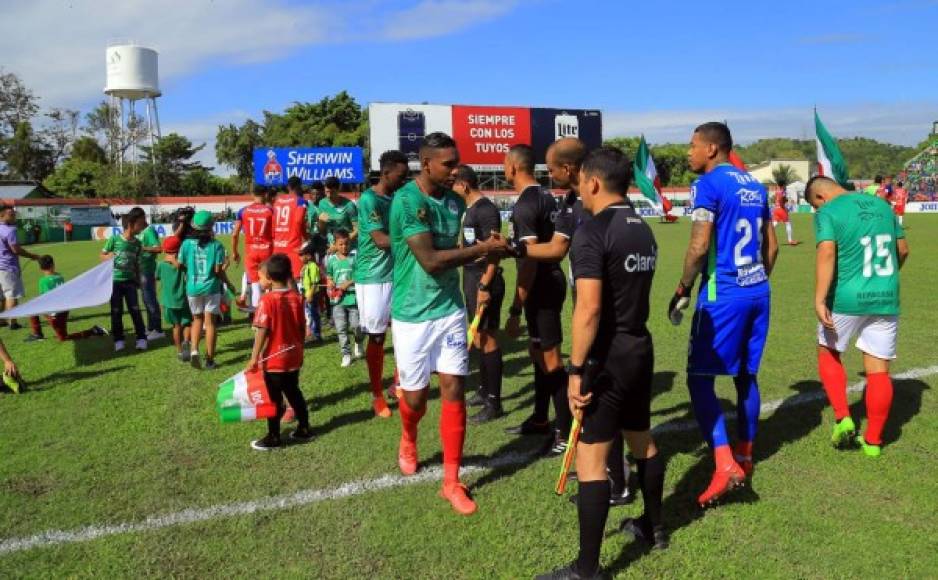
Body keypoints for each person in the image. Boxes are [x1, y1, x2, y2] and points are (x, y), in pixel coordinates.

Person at [537, 147, 667, 580]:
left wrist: (575, 371)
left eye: (580, 184)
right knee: (641, 440)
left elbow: (588, 309)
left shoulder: (593, 230)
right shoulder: (641, 228)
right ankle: (655, 527)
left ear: (592, 182)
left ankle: (587, 570)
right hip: (639, 348)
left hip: (607, 357)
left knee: (590, 463)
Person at [388, 132, 507, 515]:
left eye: (457, 162)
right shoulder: (407, 202)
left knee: (454, 388)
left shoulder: (456, 201)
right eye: (448, 164)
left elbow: (468, 247)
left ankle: (451, 482)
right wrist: (483, 249)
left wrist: (491, 248)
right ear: (425, 164)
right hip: (411, 314)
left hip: (451, 310)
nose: (455, 170)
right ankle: (409, 437)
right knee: (416, 399)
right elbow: (432, 261)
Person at [668, 122, 779, 507]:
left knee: (699, 380)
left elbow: (699, 247)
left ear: (712, 149)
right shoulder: (755, 185)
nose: (688, 152)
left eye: (693, 145)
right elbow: (773, 248)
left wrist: (683, 288)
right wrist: (755, 282)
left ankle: (723, 462)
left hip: (723, 296)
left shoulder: (708, 184)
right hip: (758, 292)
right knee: (746, 376)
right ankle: (745, 457)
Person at [522, 138, 636, 507]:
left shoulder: (605, 208)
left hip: (604, 318)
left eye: (552, 168)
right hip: (586, 310)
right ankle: (599, 466)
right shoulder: (572, 204)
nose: (549, 174)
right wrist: (514, 248)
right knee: (594, 398)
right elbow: (557, 248)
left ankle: (616, 480)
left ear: (570, 170)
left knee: (602, 398)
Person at [805, 176, 909, 457]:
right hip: (886, 296)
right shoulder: (883, 206)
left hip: (846, 297)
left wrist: (818, 298)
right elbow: (903, 250)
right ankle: (873, 442)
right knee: (879, 371)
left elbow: (827, 251)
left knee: (829, 351)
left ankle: (843, 417)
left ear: (819, 198)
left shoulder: (828, 212)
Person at [503, 144, 572, 457]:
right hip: (551, 281)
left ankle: (565, 430)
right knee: (537, 352)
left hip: (540, 286)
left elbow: (529, 261)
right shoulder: (547, 196)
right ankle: (541, 418)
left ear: (514, 167)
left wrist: (516, 307)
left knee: (551, 359)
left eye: (505, 162)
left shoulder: (526, 204)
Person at [355, 150, 408, 418]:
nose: (404, 179)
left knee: (403, 329)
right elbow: (380, 240)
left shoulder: (399, 197)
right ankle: (377, 395)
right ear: (386, 173)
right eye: (401, 175)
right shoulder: (368, 199)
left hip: (397, 273)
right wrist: (416, 241)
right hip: (372, 276)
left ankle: (397, 383)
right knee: (377, 336)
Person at [453, 164, 506, 424]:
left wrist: (485, 285)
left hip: (484, 280)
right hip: (471, 277)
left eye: (454, 183)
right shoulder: (470, 209)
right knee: (478, 337)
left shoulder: (486, 209)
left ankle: (494, 403)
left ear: (463, 185)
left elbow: (494, 250)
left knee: (488, 339)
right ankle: (484, 391)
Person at [247, 253, 313, 450]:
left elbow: (262, 330)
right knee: (294, 392)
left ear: (270, 278)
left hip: (274, 359)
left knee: (274, 398)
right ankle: (304, 428)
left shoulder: (267, 301)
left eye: (260, 277)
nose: (259, 281)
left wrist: (254, 357)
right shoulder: (296, 298)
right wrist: (299, 348)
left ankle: (274, 436)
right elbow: (302, 327)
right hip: (293, 356)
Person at [178, 211, 231, 370]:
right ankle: (209, 360)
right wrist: (229, 283)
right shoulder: (217, 246)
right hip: (211, 288)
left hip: (193, 287)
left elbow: (180, 265)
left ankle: (194, 349)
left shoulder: (186, 244)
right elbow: (217, 270)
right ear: (211, 227)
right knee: (210, 323)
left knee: (196, 320)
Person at [25, 255, 108, 342]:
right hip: (63, 309)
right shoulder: (59, 276)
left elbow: (46, 298)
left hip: (55, 312)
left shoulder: (43, 281)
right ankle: (37, 334)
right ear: (53, 265)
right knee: (32, 307)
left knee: (63, 338)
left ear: (41, 269)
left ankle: (93, 331)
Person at [101, 207, 149, 352]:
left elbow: (136, 265)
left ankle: (141, 338)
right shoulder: (114, 240)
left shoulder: (137, 244)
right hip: (114, 283)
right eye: (141, 223)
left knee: (135, 310)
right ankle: (119, 340)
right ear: (131, 223)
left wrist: (140, 281)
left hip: (130, 283)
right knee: (116, 312)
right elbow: (102, 255)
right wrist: (108, 257)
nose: (143, 226)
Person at [232, 187, 274, 314]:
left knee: (255, 284)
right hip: (267, 250)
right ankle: (269, 313)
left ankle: (258, 316)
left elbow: (234, 234)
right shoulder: (270, 210)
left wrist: (235, 252)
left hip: (251, 251)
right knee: (269, 283)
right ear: (266, 194)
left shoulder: (243, 211)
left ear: (252, 195)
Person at [326, 229, 362, 368]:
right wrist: (330, 282)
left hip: (353, 298)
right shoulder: (331, 260)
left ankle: (358, 342)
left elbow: (360, 274)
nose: (344, 247)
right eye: (340, 244)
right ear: (335, 244)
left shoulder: (355, 257)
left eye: (346, 244)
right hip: (337, 300)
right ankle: (346, 354)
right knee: (341, 328)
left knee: (356, 326)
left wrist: (348, 283)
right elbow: (329, 275)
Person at [0, 204, 40, 330]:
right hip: (8, 267)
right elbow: (15, 249)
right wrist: (31, 255)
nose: (14, 217)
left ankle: (1, 320)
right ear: (2, 216)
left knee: (1, 296)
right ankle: (13, 322)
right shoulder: (10, 230)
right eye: (11, 215)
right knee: (12, 295)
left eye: (14, 214)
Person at [157, 236, 193, 362]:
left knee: (176, 326)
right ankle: (187, 342)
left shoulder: (160, 265)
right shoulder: (183, 265)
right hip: (183, 299)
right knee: (187, 323)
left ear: (165, 250)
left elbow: (156, 278)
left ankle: (179, 351)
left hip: (168, 301)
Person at [272, 176, 308, 284]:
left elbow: (273, 223)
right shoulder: (300, 201)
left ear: (288, 187)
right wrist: (305, 238)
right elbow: (298, 221)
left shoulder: (278, 201)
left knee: (278, 280)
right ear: (299, 186)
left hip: (278, 246)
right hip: (293, 247)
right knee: (297, 280)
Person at [136, 221, 164, 340]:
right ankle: (151, 327)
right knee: (146, 300)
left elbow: (158, 248)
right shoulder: (142, 232)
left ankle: (158, 329)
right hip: (141, 269)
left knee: (150, 299)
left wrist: (142, 248)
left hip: (148, 269)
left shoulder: (149, 231)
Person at [317, 175, 359, 251]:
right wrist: (321, 222)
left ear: (338, 190)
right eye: (327, 192)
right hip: (331, 248)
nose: (329, 195)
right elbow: (322, 231)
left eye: (332, 192)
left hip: (348, 249)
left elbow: (358, 229)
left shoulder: (349, 205)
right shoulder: (322, 203)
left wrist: (340, 244)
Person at [299, 243, 323, 343]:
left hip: (312, 295)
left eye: (301, 255)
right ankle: (312, 333)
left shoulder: (313, 266)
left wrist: (310, 294)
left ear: (308, 256)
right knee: (309, 314)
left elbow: (315, 282)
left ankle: (316, 335)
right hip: (307, 295)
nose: (300, 258)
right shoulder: (307, 266)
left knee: (314, 314)